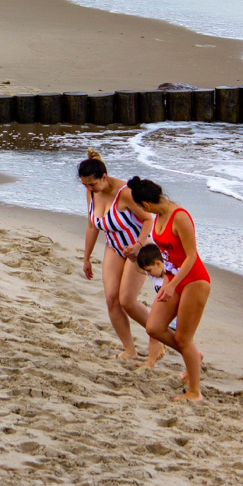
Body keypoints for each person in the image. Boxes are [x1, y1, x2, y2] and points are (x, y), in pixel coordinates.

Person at [127, 176, 211, 403]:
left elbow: (192, 256)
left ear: (146, 205)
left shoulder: (179, 217)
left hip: (194, 281)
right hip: (173, 280)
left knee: (184, 338)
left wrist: (172, 284)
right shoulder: (158, 216)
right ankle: (194, 355)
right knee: (154, 327)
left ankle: (195, 392)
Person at [78, 149, 155, 361]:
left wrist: (138, 246)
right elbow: (92, 225)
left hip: (138, 249)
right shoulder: (91, 192)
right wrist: (86, 258)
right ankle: (130, 350)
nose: (89, 188)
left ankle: (159, 337)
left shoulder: (126, 193)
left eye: (92, 184)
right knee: (112, 300)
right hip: (114, 247)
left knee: (127, 301)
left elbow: (148, 220)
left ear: (104, 177)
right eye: (85, 185)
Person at [136, 243, 176, 369]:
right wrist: (132, 258)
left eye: (149, 270)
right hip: (163, 312)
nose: (148, 273)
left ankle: (194, 357)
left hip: (177, 313)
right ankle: (150, 362)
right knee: (152, 333)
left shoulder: (172, 277)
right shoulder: (155, 276)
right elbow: (139, 269)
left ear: (158, 264)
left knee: (181, 341)